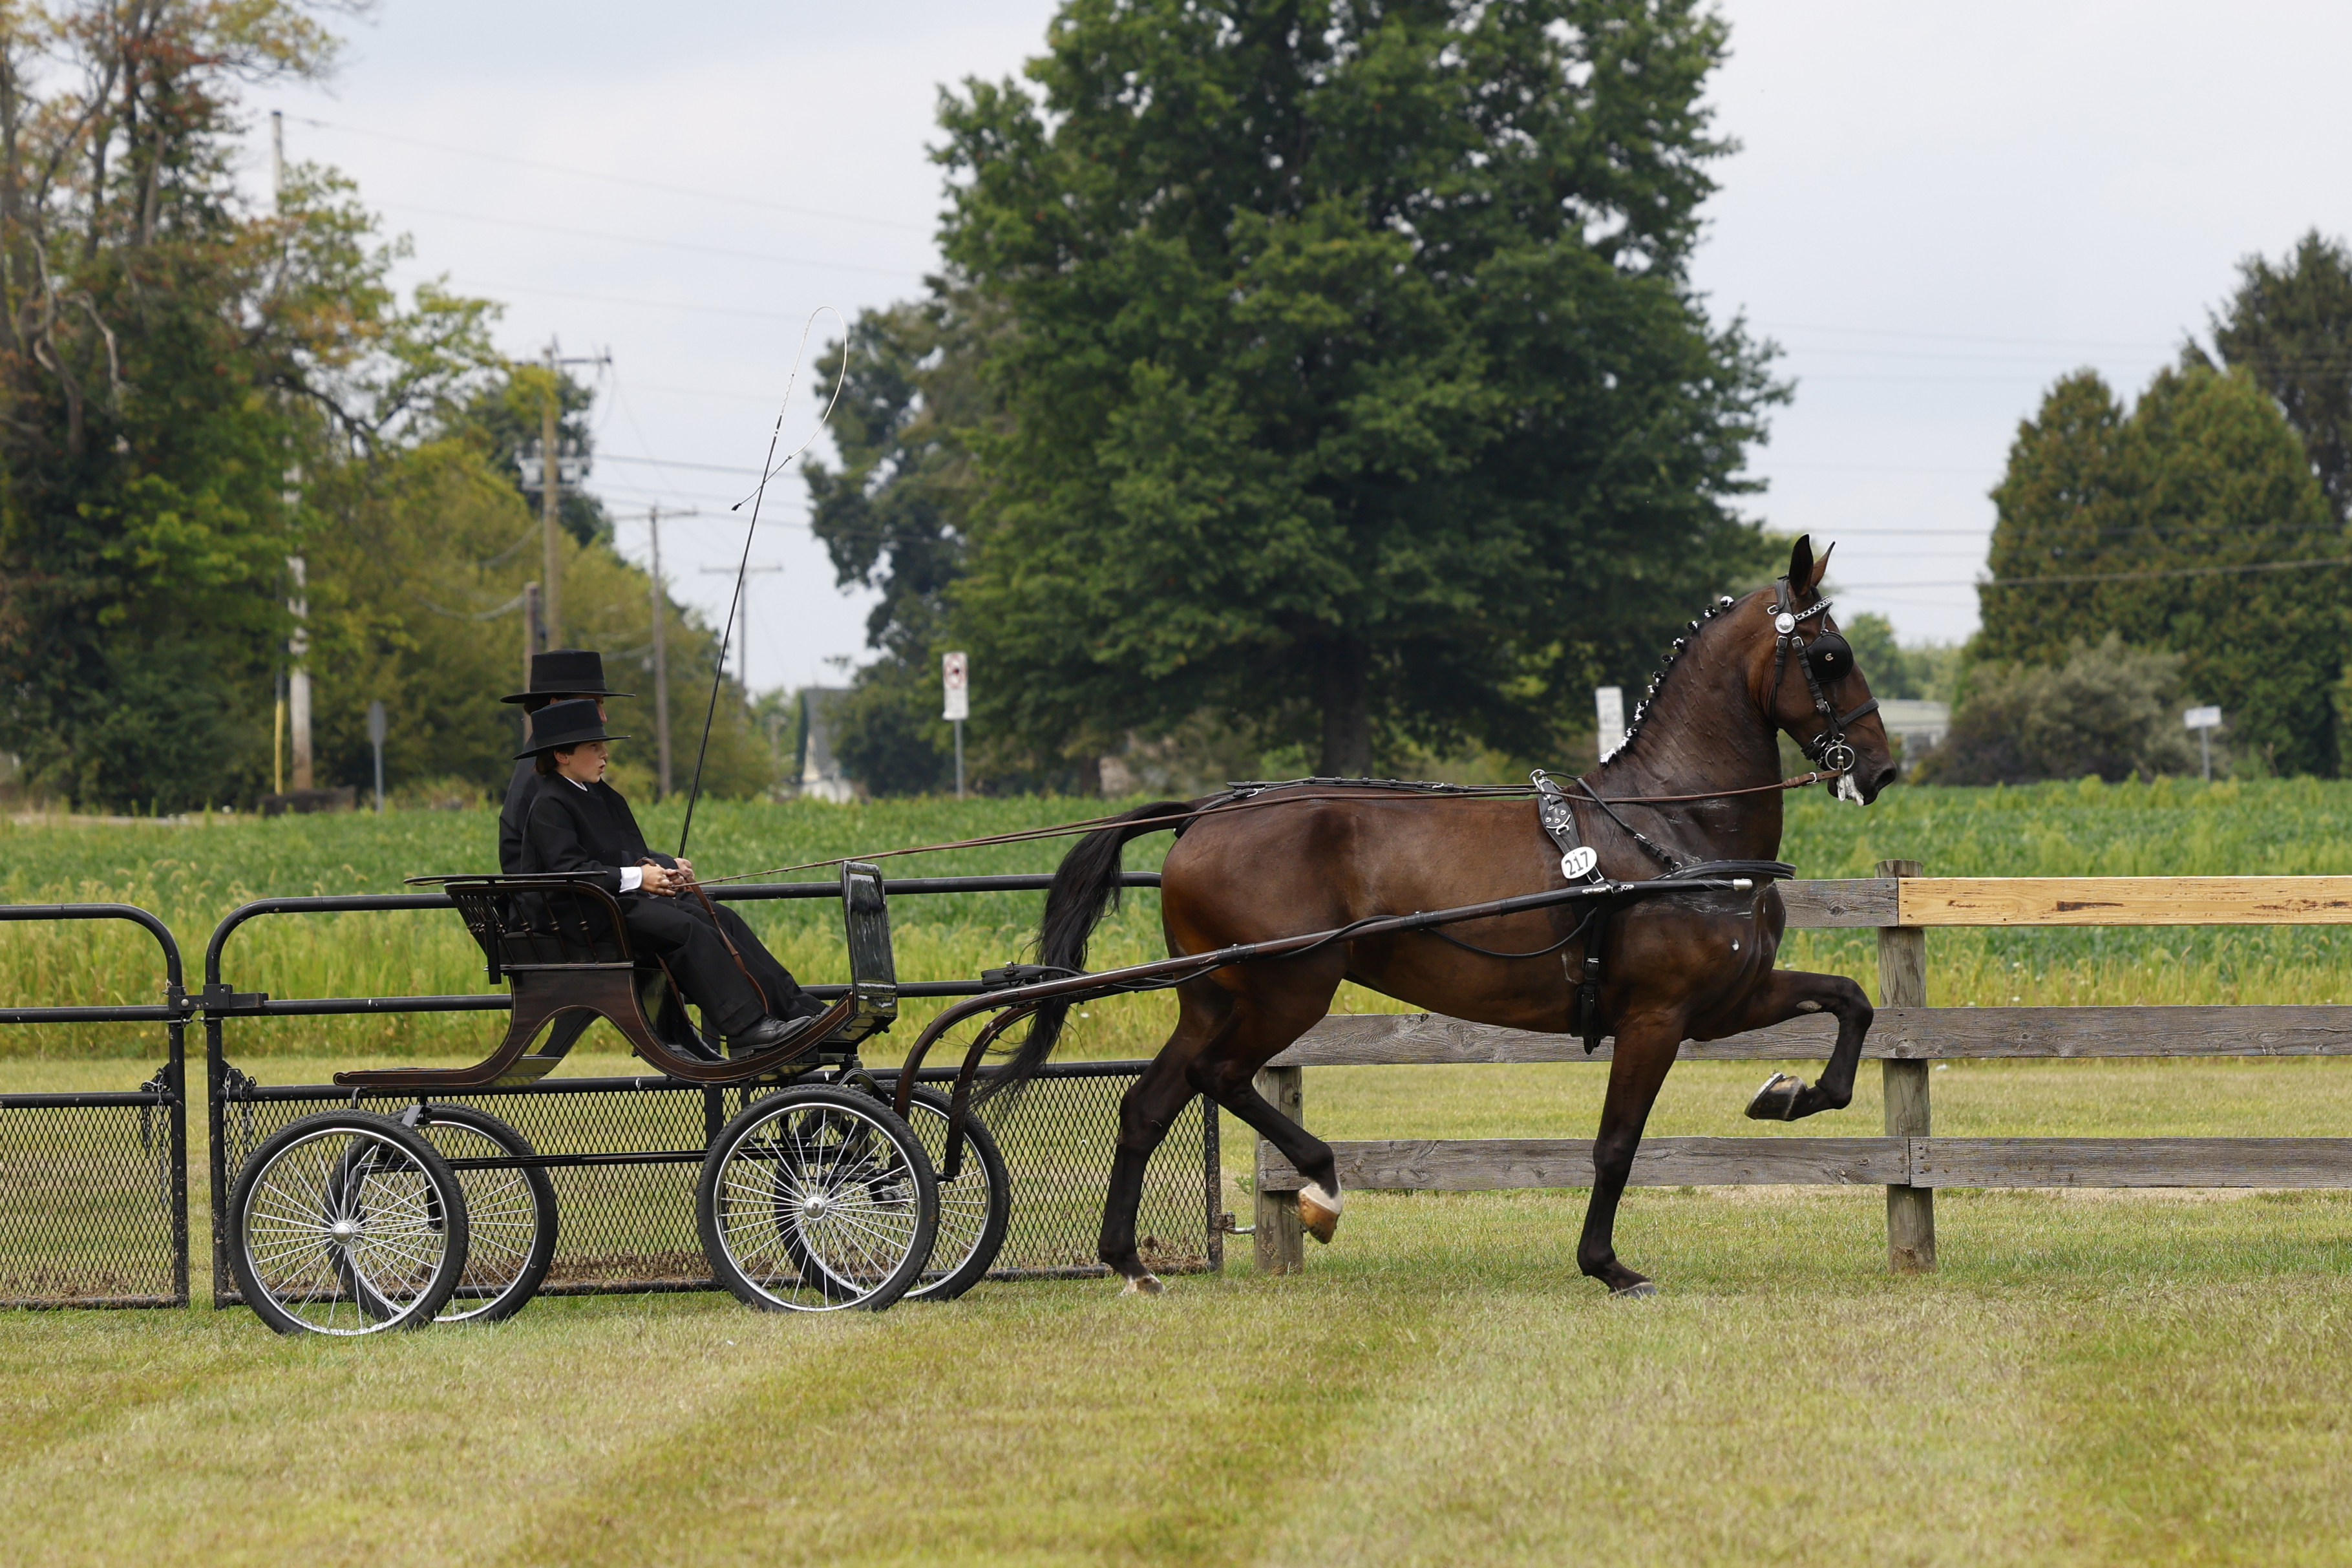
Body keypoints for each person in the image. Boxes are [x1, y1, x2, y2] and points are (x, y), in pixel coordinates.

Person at [513, 699, 823, 1059]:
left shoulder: (598, 795)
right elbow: (570, 871)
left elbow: (625, 852)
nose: (605, 755)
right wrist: (639, 877)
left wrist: (665, 866)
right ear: (562, 755)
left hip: (615, 905)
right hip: (586, 919)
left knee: (720, 918)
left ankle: (799, 1010)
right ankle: (747, 1027)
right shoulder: (549, 803)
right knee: (686, 929)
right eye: (594, 747)